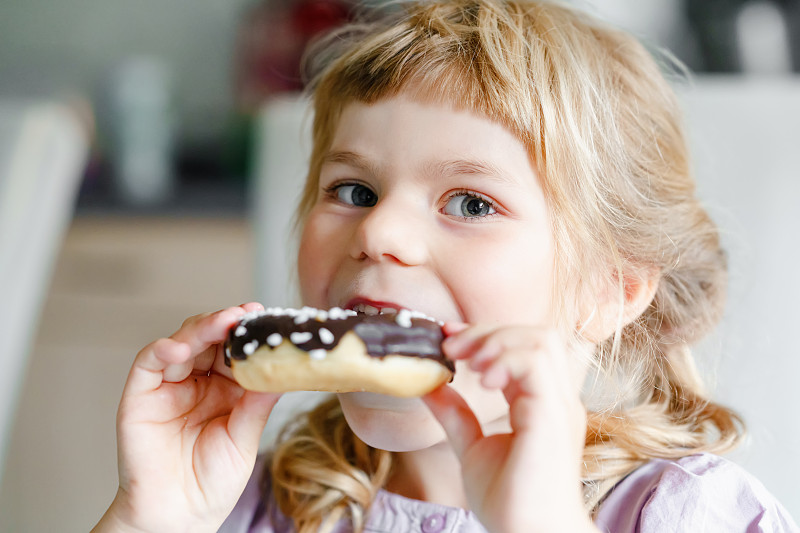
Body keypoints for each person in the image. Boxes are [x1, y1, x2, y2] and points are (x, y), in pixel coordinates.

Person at [91, 1, 799, 532]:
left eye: (469, 201)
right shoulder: (250, 503)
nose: (379, 231)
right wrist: (149, 515)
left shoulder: (690, 512)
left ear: (611, 286)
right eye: (354, 191)